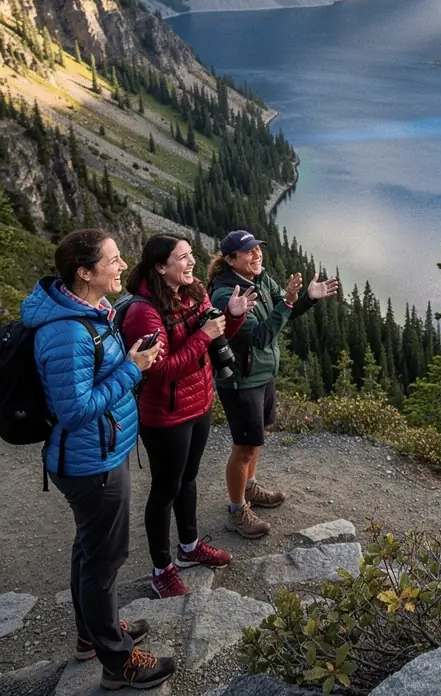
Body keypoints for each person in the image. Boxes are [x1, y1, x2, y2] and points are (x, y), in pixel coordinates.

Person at [22, 229, 175, 690]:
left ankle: (92, 633)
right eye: (112, 260)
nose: (122, 264)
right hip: (92, 463)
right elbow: (74, 410)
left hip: (98, 454)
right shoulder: (68, 331)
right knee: (105, 558)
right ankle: (117, 662)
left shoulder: (86, 311)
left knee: (91, 551)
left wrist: (128, 359)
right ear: (84, 273)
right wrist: (134, 369)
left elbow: (90, 379)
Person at [120, 234, 258, 598]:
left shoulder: (194, 289)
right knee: (165, 488)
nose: (191, 262)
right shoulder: (143, 312)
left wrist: (233, 316)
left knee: (189, 478)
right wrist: (204, 335)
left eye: (191, 254)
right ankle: (161, 568)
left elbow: (217, 337)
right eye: (183, 257)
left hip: (198, 404)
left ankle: (189, 546)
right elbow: (159, 371)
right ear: (161, 267)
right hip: (165, 414)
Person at [207, 230, 340, 537]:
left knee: (256, 439)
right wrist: (290, 303)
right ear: (230, 260)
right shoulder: (227, 295)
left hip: (262, 374)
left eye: (257, 248)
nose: (256, 254)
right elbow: (260, 336)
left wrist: (305, 298)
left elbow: (284, 311)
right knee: (243, 447)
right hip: (242, 381)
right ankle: (236, 511)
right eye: (248, 252)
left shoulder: (261, 279)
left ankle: (250, 489)